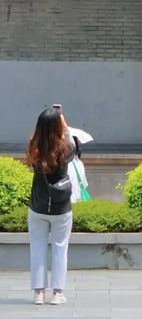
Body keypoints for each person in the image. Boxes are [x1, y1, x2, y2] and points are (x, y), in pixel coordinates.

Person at [25, 104, 78, 305]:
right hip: (61, 207)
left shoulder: (34, 147)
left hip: (38, 206)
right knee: (60, 248)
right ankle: (57, 293)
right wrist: (64, 123)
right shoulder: (66, 148)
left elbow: (37, 138)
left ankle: (39, 293)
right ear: (58, 126)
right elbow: (73, 143)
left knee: (37, 248)